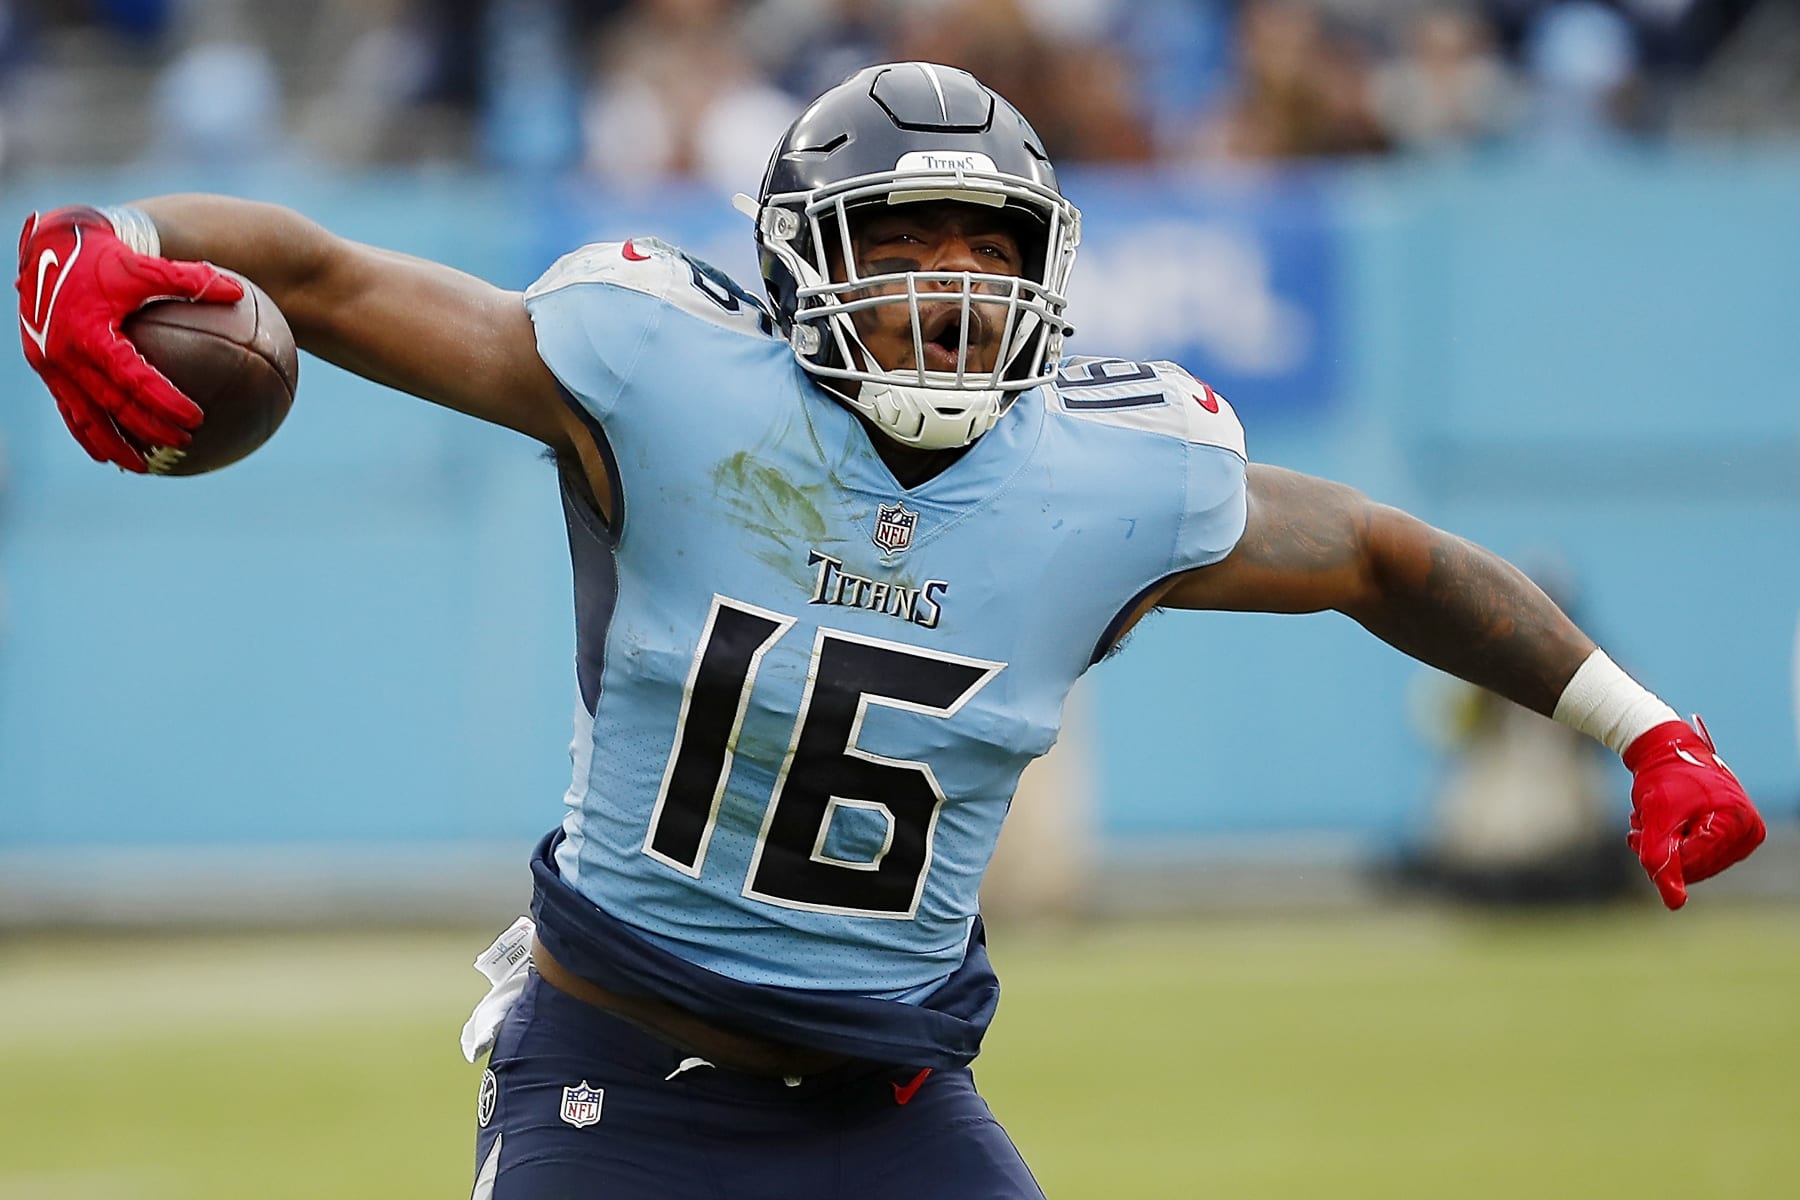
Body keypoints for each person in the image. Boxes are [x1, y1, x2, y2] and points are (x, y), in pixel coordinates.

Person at [15, 61, 1765, 1200]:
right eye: (899, 238)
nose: (943, 287)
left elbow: (1387, 557)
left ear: (1049, 270)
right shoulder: (664, 382)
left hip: (896, 1110)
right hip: (624, 1084)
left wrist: (1640, 724)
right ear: (793, 263)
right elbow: (320, 281)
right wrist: (123, 235)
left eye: (982, 245)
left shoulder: (1114, 475)